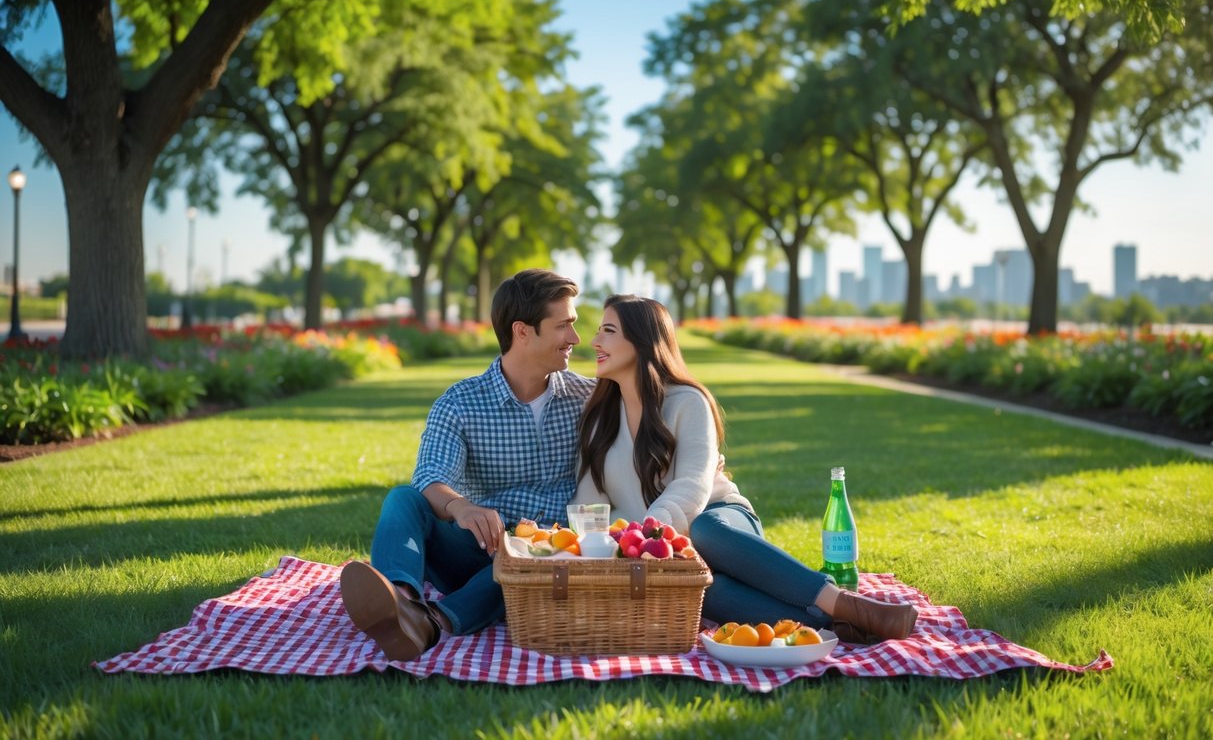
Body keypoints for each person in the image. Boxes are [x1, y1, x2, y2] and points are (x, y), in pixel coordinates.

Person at [571, 294, 918, 644]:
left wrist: (647, 534)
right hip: (666, 553)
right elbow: (590, 510)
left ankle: (850, 606)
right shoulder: (599, 421)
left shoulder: (687, 402)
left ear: (643, 340)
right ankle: (838, 629)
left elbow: (692, 485)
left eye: (608, 331)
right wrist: (606, 549)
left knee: (705, 527)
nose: (596, 341)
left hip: (723, 523)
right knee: (708, 590)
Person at [340, 268, 596, 661]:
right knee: (404, 498)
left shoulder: (589, 398)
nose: (575, 339)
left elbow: (648, 429)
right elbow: (430, 476)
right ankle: (400, 600)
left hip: (554, 557)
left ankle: (431, 622)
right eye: (564, 326)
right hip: (475, 548)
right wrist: (462, 506)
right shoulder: (460, 402)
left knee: (526, 562)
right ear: (522, 331)